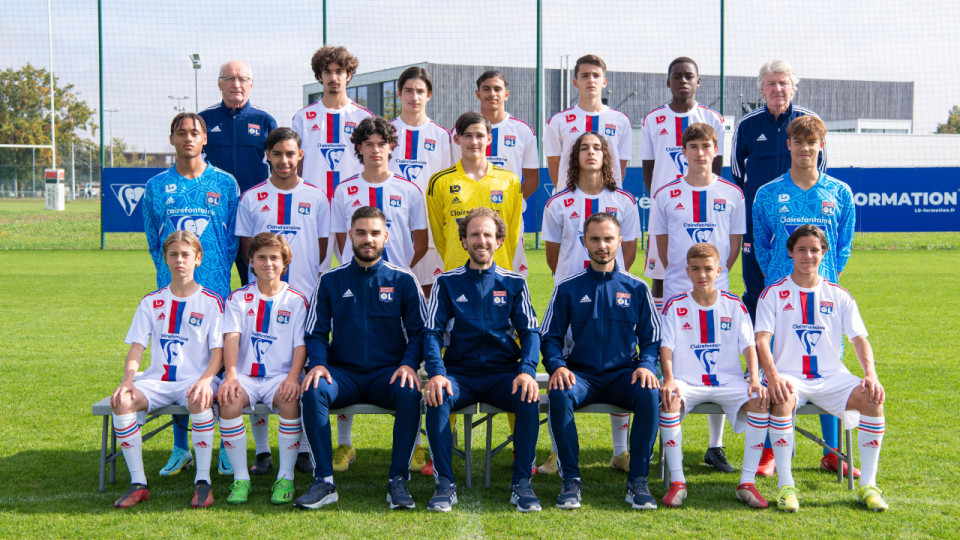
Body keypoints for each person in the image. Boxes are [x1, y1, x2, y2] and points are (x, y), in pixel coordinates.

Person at [731, 59, 840, 476]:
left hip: (814, 266)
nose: (778, 89)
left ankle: (831, 448)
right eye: (771, 83)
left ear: (794, 86)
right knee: (771, 336)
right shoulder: (747, 126)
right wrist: (765, 255)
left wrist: (828, 267)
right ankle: (773, 445)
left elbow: (837, 233)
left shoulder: (811, 124)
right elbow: (741, 180)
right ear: (762, 88)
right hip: (767, 253)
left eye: (784, 83)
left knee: (824, 351)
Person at [294, 206, 425, 510]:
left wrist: (407, 364)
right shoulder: (330, 281)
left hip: (389, 374)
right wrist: (319, 364)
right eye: (361, 232)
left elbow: (419, 332)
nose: (368, 239)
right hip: (343, 375)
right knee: (313, 392)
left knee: (410, 393)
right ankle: (324, 481)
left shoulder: (404, 280)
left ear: (386, 237)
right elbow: (315, 332)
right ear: (350, 235)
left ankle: (398, 481)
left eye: (375, 233)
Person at [756, 225, 888, 512]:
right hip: (789, 376)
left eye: (814, 250)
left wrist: (870, 375)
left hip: (832, 377)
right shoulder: (773, 293)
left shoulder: (839, 294)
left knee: (872, 398)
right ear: (790, 252)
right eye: (801, 249)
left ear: (824, 253)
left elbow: (859, 340)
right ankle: (786, 486)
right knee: (780, 398)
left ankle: (869, 485)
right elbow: (761, 341)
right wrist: (773, 376)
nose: (808, 255)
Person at [751, 114, 855, 477]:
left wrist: (828, 277)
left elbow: (843, 246)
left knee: (827, 364)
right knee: (775, 370)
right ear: (789, 145)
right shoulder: (767, 194)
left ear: (821, 146)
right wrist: (777, 274)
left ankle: (832, 453)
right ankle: (768, 451)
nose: (805, 148)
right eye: (799, 142)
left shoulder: (840, 192)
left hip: (823, 296)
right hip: (781, 298)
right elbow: (761, 245)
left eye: (812, 142)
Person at [423, 208, 541, 512]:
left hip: (503, 375)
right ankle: (444, 486)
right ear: (463, 241)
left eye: (488, 234)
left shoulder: (515, 283)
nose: (481, 240)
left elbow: (530, 333)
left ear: (499, 241)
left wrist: (527, 371)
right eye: (474, 234)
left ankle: (522, 484)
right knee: (437, 397)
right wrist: (437, 373)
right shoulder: (446, 283)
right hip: (460, 375)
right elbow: (432, 333)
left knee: (528, 397)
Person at [540, 213, 661, 510]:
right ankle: (571, 480)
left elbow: (652, 337)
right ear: (584, 242)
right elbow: (548, 337)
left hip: (623, 375)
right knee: (559, 392)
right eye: (594, 239)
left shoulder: (636, 288)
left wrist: (646, 364)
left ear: (620, 241)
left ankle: (638, 481)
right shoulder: (568, 288)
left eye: (608, 239)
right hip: (581, 376)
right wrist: (558, 366)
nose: (602, 245)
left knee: (649, 393)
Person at [142, 112, 239, 478]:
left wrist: (214, 269)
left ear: (204, 140)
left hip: (216, 290)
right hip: (174, 293)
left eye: (194, 133)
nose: (187, 138)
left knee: (216, 366)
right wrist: (171, 274)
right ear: (171, 139)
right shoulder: (156, 186)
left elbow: (233, 239)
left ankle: (227, 448)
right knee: (177, 365)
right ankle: (180, 448)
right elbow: (155, 239)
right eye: (180, 133)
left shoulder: (226, 183)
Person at [329, 117, 428, 473]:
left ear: (391, 147)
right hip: (353, 287)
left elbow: (420, 241)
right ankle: (343, 444)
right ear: (359, 148)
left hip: (397, 289)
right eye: (367, 143)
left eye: (381, 143)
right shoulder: (343, 190)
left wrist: (397, 268)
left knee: (408, 358)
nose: (375, 149)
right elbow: (342, 239)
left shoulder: (409, 190)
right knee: (346, 357)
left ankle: (417, 445)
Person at [539, 131, 640, 475]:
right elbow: (553, 256)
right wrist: (572, 282)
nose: (591, 152)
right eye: (584, 147)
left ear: (606, 156)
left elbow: (629, 250)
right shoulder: (558, 202)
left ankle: (621, 451)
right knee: (564, 372)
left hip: (614, 296)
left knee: (618, 363)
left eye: (598, 147)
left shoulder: (624, 201)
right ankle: (556, 452)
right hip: (572, 298)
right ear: (574, 156)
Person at [235, 127, 328, 476]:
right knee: (255, 364)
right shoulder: (252, 197)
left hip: (303, 297)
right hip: (260, 299)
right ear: (267, 156)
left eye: (291, 153)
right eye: (278, 154)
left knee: (300, 370)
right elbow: (247, 249)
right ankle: (261, 452)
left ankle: (304, 449)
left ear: (300, 155)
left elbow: (321, 249)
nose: (284, 160)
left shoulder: (317, 197)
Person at [110, 231, 224, 509]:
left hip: (196, 380)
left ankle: (202, 481)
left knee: (199, 398)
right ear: (165, 259)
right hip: (158, 382)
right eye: (173, 254)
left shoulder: (211, 302)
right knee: (122, 400)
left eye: (186, 255)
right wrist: (127, 381)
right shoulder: (151, 301)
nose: (179, 260)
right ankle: (138, 483)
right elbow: (137, 347)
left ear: (198, 259)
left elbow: (219, 352)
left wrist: (207, 379)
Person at [658, 243, 769, 508]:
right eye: (695, 269)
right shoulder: (675, 305)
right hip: (687, 381)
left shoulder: (734, 304)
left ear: (719, 270)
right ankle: (677, 481)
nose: (702, 275)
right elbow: (666, 347)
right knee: (670, 399)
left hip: (728, 382)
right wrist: (670, 379)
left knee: (760, 401)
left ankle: (747, 482)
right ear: (687, 271)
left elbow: (749, 345)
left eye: (708, 269)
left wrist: (754, 378)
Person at [217, 233, 309, 505]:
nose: (268, 263)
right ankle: (241, 478)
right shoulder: (238, 298)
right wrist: (231, 374)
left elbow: (300, 346)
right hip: (244, 375)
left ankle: (285, 477)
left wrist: (293, 377)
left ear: (285, 264)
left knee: (290, 400)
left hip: (280, 375)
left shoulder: (296, 299)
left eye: (274, 258)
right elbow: (231, 337)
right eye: (261, 258)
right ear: (251, 263)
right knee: (229, 399)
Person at [639, 56, 724, 310]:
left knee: (705, 270)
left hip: (702, 209)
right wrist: (661, 199)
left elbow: (715, 168)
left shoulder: (712, 118)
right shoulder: (653, 119)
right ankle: (662, 332)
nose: (683, 81)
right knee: (661, 275)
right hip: (666, 209)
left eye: (689, 76)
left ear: (698, 81)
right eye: (677, 76)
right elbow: (649, 168)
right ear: (668, 82)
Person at [292, 45, 373, 272]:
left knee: (357, 269)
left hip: (352, 204)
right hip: (314, 206)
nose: (333, 77)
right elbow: (295, 166)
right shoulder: (303, 118)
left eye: (339, 71)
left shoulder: (363, 117)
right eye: (327, 71)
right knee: (313, 271)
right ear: (320, 76)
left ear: (348, 75)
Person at [452, 70, 540, 277]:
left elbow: (533, 179)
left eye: (497, 89)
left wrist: (508, 203)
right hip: (467, 216)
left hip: (507, 217)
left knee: (511, 275)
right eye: (486, 89)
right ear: (477, 93)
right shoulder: (459, 131)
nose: (492, 93)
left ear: (506, 94)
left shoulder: (523, 131)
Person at [199, 59, 278, 285]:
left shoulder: (265, 120)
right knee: (209, 279)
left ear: (251, 84)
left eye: (242, 79)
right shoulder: (204, 119)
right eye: (230, 79)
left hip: (254, 214)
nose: (236, 84)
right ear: (219, 84)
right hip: (215, 214)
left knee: (256, 281)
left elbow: (278, 167)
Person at [427, 111, 522, 271]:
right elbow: (439, 236)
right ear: (457, 139)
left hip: (499, 271)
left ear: (489, 139)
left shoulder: (509, 180)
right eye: (468, 136)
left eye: (479, 135)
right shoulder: (440, 181)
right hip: (457, 271)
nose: (474, 141)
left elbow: (512, 233)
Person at [388, 66, 452, 295]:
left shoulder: (441, 135)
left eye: (419, 91)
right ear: (399, 93)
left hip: (429, 224)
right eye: (408, 90)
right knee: (393, 286)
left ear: (429, 95)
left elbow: (445, 183)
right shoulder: (387, 132)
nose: (414, 97)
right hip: (394, 223)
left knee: (429, 288)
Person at [544, 54, 632, 188]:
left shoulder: (621, 121)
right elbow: (554, 165)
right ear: (575, 82)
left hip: (609, 200)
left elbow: (620, 167)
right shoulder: (558, 121)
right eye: (585, 76)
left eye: (596, 75)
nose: (591, 80)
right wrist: (566, 194)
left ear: (604, 82)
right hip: (570, 202)